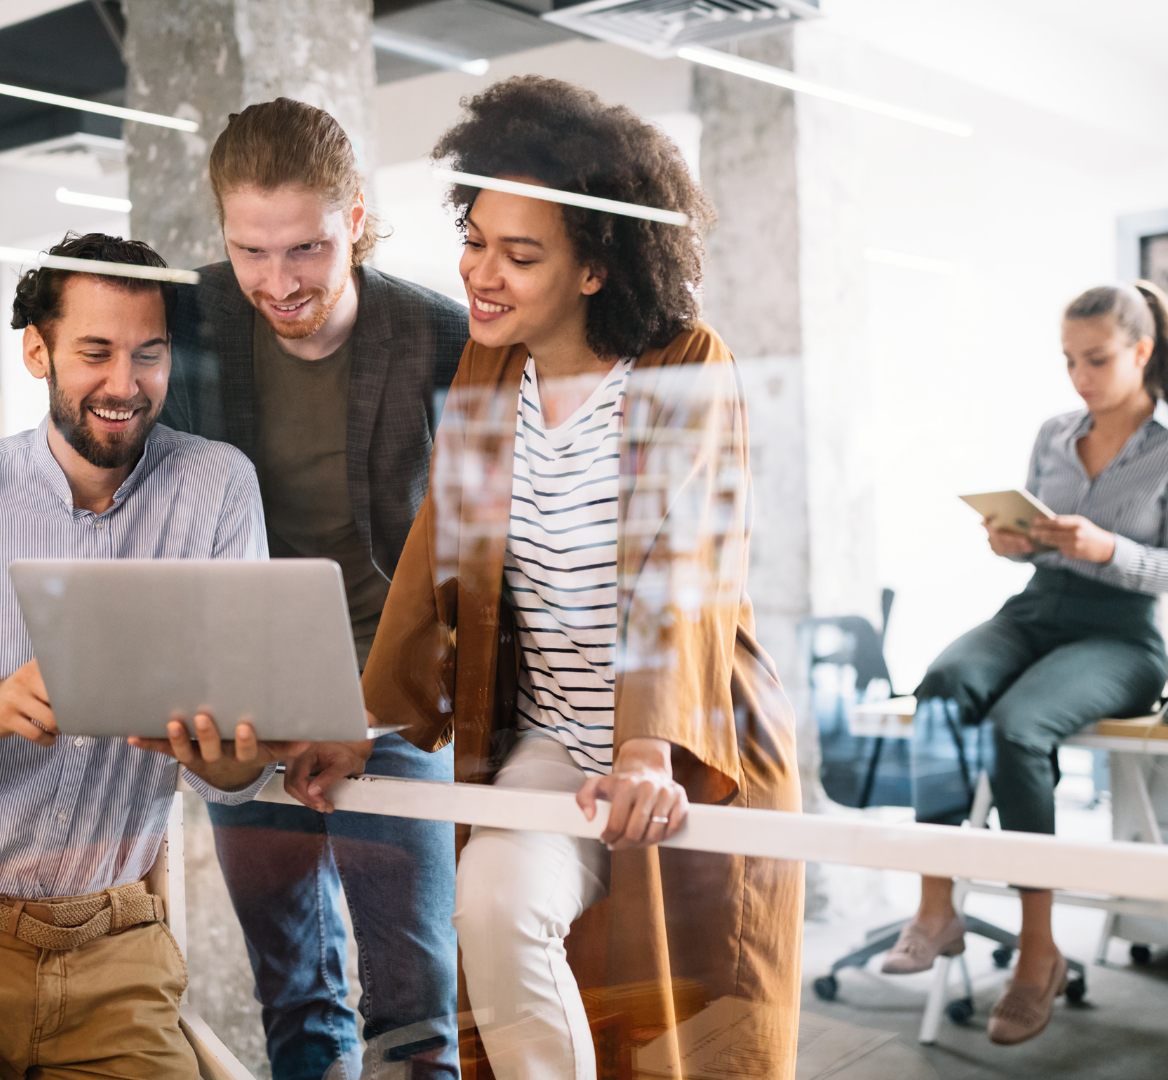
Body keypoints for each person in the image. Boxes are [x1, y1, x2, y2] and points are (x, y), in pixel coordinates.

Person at [284, 77, 804, 1080]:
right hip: (557, 740)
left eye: (520, 255)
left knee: (692, 1033)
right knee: (492, 901)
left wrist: (649, 747)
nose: (481, 273)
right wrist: (362, 721)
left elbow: (678, 565)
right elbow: (447, 553)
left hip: (688, 741)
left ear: (597, 268)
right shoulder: (492, 371)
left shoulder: (684, 365)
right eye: (475, 239)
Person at [0, 233, 300, 1080]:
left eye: (148, 355)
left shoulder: (218, 490)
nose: (124, 385)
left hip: (117, 955)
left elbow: (227, 771)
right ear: (36, 350)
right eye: (95, 352)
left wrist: (238, 759)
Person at [159, 98, 467, 1080]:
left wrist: (384, 712)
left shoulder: (440, 342)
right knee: (294, 989)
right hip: (252, 691)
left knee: (413, 1006)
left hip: (390, 697)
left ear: (360, 217)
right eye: (252, 251)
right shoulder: (192, 321)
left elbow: (481, 559)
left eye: (306, 248)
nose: (278, 282)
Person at [880, 280, 1168, 1046]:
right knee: (939, 687)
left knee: (1015, 730)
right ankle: (936, 906)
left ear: (1141, 351)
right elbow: (1033, 537)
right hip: (1038, 610)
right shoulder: (1053, 432)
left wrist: (1110, 548)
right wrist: (1014, 539)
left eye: (1097, 360)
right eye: (1069, 361)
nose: (1080, 378)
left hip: (1123, 635)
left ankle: (1039, 951)